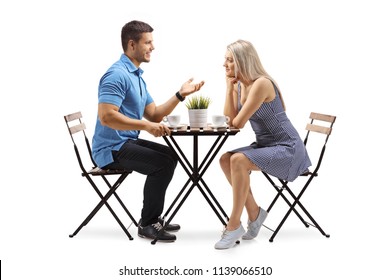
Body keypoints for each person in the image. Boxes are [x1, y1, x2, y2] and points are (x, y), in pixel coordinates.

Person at [92, 20, 205, 242]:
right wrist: (146, 126)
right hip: (110, 149)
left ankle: (153, 217)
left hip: (124, 143)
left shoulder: (136, 77)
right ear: (132, 44)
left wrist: (180, 95)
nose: (153, 47)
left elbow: (154, 114)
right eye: (148, 42)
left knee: (170, 156)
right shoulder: (116, 75)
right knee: (161, 163)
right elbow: (107, 116)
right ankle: (147, 223)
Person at [215, 40, 311, 249]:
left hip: (288, 148)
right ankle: (255, 214)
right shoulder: (241, 84)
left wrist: (233, 92)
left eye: (230, 60)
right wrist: (229, 89)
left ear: (242, 62)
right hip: (266, 146)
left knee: (239, 160)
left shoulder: (261, 84)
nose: (225, 64)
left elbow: (237, 124)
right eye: (226, 60)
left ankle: (233, 226)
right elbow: (229, 119)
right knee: (225, 159)